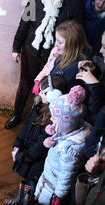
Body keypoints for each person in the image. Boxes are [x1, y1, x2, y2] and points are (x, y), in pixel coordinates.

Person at [21, 85, 92, 205]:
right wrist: (55, 134)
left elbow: (67, 175)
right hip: (49, 180)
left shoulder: (71, 149)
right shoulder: (67, 132)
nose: (51, 121)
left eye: (54, 119)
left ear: (66, 121)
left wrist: (58, 197)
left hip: (55, 190)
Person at [5, 0, 85, 129]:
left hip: (54, 56)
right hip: (31, 49)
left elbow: (76, 33)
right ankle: (17, 115)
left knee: (47, 89)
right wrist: (16, 47)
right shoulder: (34, 1)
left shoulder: (75, 4)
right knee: (24, 83)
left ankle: (36, 122)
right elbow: (24, 23)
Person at [4, 74, 69, 205]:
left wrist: (24, 156)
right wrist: (18, 143)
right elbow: (26, 126)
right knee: (25, 178)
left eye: (43, 92)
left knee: (32, 184)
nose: (39, 94)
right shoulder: (39, 104)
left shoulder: (55, 117)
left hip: (36, 159)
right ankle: (19, 200)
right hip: (26, 151)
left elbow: (41, 145)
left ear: (55, 94)